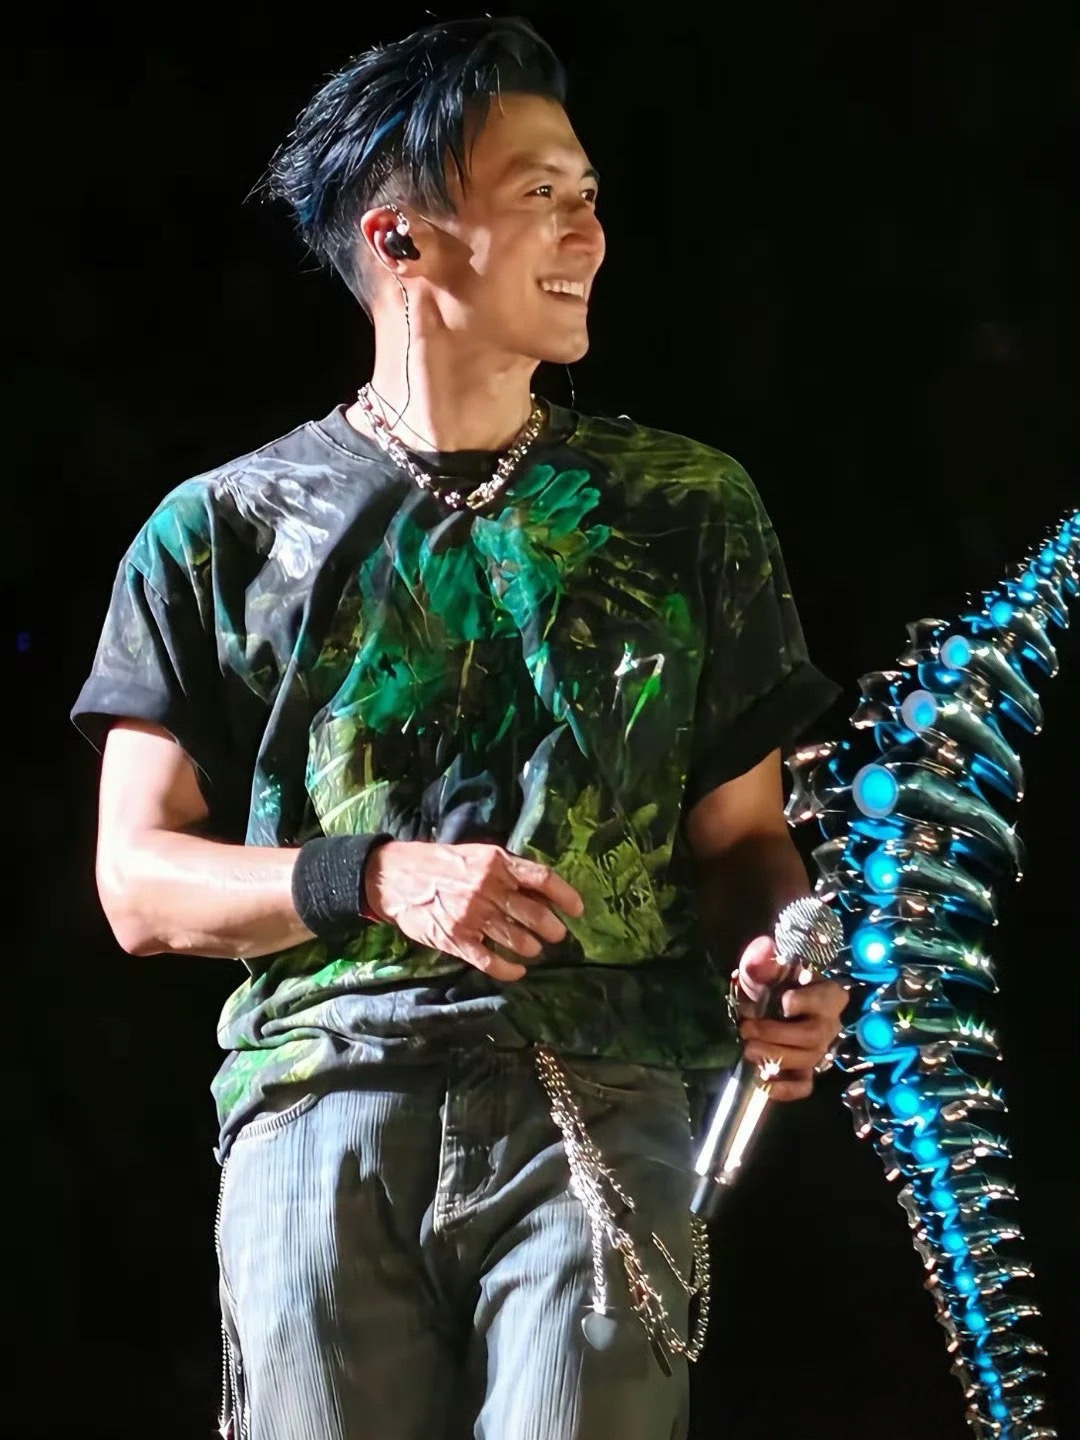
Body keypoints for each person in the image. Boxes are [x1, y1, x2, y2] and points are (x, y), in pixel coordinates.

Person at [72, 16, 848, 1440]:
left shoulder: (688, 509)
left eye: (590, 194)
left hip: (607, 1104)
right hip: (322, 1106)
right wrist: (373, 875)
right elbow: (138, 881)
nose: (588, 233)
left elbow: (743, 841)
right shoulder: (220, 530)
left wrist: (776, 970)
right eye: (541, 194)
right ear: (402, 240)